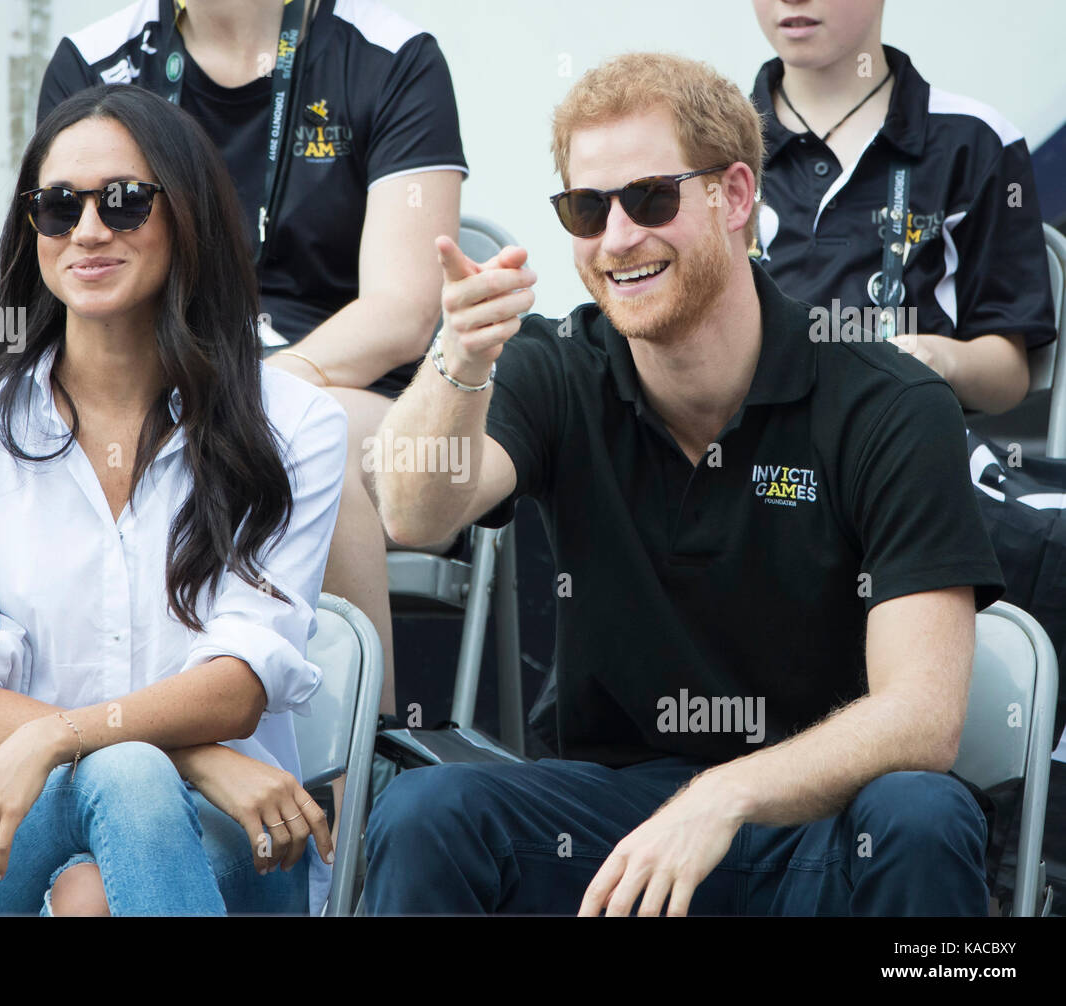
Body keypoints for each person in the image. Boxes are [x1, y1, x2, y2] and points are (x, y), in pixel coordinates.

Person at [363, 52, 1005, 916]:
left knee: (924, 815)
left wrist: (723, 794)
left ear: (735, 197)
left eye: (651, 197)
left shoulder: (890, 403)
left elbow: (923, 719)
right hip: (611, 830)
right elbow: (410, 510)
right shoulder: (557, 366)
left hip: (817, 823)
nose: (619, 236)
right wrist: (460, 357)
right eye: (587, 209)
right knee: (425, 811)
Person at [0, 84, 347, 916]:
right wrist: (195, 754)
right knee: (129, 773)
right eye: (58, 207)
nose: (89, 230)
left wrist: (62, 737)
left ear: (189, 216)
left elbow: (238, 684)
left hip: (230, 835)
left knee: (96, 885)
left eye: (126, 202)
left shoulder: (295, 424)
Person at [39, 0, 467, 713]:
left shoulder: (392, 54)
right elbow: (66, 263)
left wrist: (243, 392)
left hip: (334, 380)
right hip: (143, 371)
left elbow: (401, 312)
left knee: (302, 430)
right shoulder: (95, 58)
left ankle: (352, 789)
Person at [749, 0, 1056, 415]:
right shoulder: (707, 145)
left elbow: (1010, 375)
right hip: (748, 456)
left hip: (904, 450)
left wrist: (936, 358)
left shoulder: (976, 140)